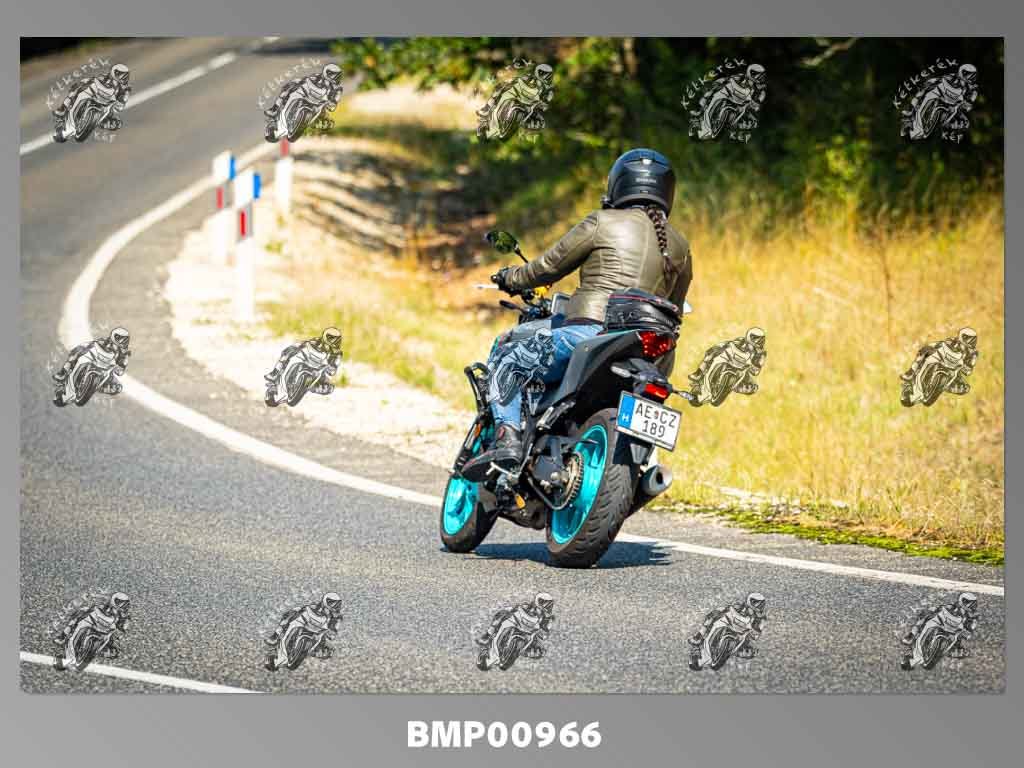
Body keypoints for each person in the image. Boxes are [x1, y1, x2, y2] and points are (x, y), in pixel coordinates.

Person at [461, 148, 693, 481]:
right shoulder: (681, 246)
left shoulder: (602, 222)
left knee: (509, 362)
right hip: (651, 357)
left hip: (590, 332)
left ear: (618, 184)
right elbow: (676, 311)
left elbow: (547, 266)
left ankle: (508, 439)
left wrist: (511, 277)